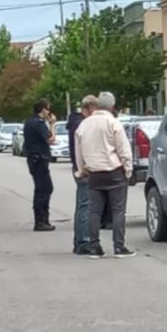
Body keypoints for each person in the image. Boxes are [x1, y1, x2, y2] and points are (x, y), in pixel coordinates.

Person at [75, 92, 135, 259]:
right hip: (114, 171)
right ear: (112, 107)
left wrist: (81, 170)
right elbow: (124, 149)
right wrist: (128, 170)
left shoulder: (84, 125)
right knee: (118, 211)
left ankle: (94, 246)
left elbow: (78, 151)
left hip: (93, 172)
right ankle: (119, 246)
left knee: (94, 211)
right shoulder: (113, 123)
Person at [66, 95, 98, 255]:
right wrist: (85, 167)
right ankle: (84, 241)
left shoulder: (74, 122)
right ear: (90, 108)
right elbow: (83, 148)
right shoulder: (82, 124)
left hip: (77, 167)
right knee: (86, 205)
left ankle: (79, 241)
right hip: (83, 169)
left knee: (81, 205)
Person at [23, 99, 57, 231]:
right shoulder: (38, 123)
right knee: (44, 189)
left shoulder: (30, 122)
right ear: (43, 109)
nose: (49, 112)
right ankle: (41, 220)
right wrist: (52, 124)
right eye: (48, 109)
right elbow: (50, 138)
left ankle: (42, 219)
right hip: (39, 160)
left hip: (34, 159)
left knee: (43, 188)